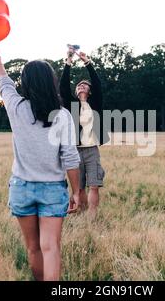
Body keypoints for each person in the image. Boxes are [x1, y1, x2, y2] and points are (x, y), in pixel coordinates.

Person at [0, 46, 81, 281]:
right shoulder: (62, 116)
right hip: (52, 188)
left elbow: (4, 83)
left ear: (26, 84)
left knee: (33, 248)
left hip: (21, 188)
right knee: (51, 248)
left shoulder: (16, 108)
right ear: (51, 82)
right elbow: (70, 157)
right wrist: (77, 191)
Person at [59, 47, 109, 219]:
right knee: (79, 187)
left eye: (85, 85)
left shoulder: (95, 103)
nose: (82, 86)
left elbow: (98, 83)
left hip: (92, 149)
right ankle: (80, 214)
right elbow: (63, 85)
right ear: (76, 91)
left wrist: (87, 62)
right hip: (76, 150)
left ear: (89, 91)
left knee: (94, 185)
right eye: (79, 85)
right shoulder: (71, 105)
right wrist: (69, 60)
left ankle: (92, 217)